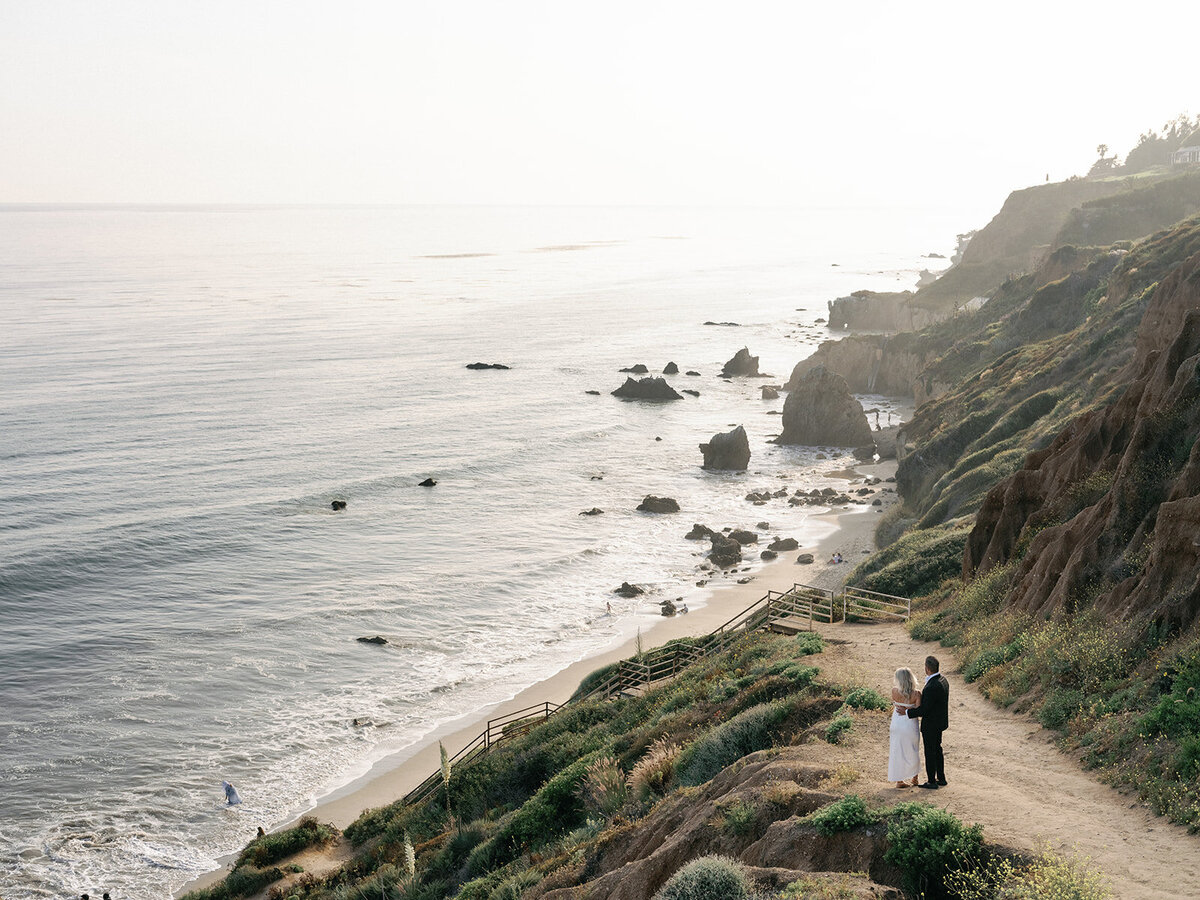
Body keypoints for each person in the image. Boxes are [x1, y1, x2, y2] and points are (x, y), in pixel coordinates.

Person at [907, 655, 950, 788]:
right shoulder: (943, 680)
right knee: (937, 750)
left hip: (931, 724)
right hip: (940, 722)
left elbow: (924, 710)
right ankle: (941, 778)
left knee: (930, 752)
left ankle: (932, 781)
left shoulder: (931, 686)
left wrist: (908, 712)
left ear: (927, 668)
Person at [888, 667, 921, 788]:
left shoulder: (894, 691)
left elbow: (896, 703)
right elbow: (918, 711)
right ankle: (915, 778)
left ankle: (899, 780)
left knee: (898, 750)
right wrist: (908, 709)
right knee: (913, 749)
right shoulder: (916, 694)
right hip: (910, 724)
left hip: (897, 723)